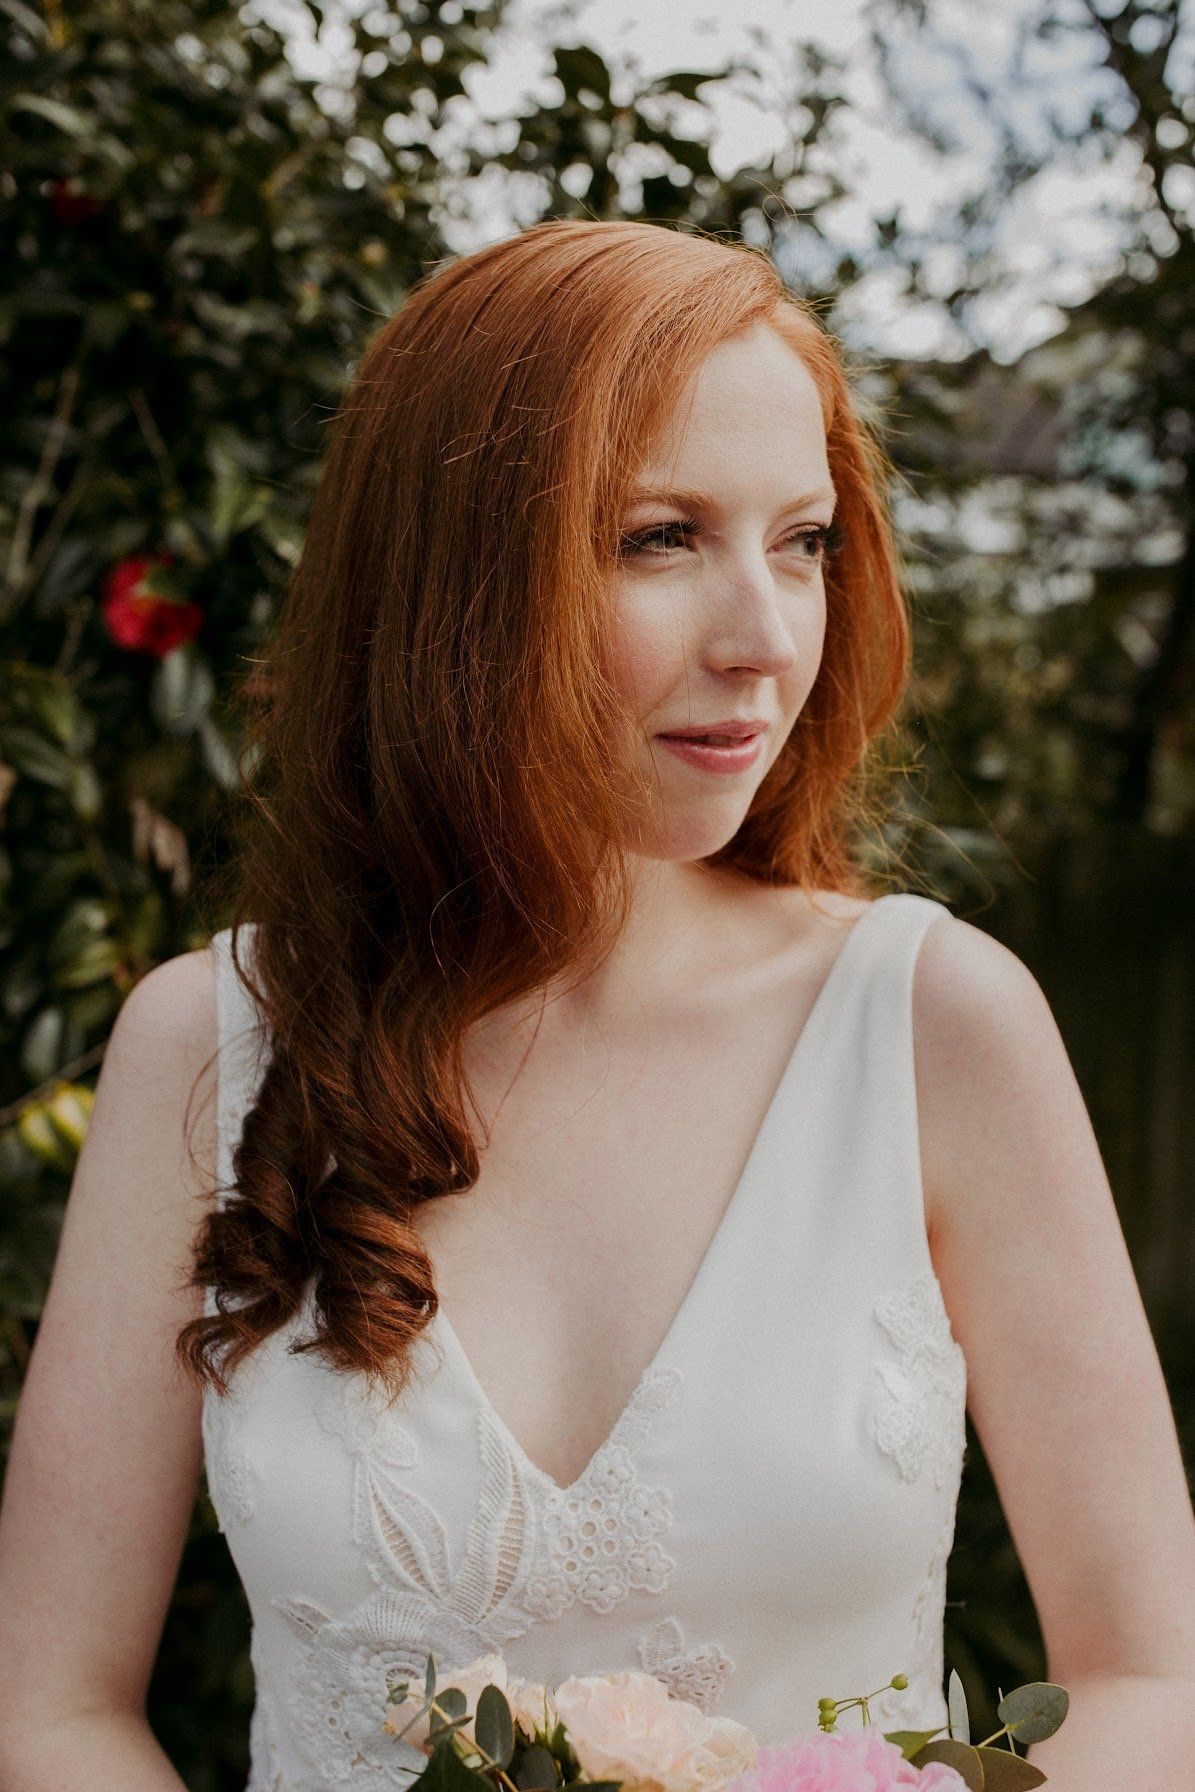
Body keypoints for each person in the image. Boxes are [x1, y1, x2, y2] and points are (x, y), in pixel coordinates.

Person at [1, 218, 1193, 1792]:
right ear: (454, 577)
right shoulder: (207, 1045)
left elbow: (1150, 1678)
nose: (765, 639)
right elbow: (52, 1705)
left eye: (803, 541)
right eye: (659, 539)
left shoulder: (936, 1025)